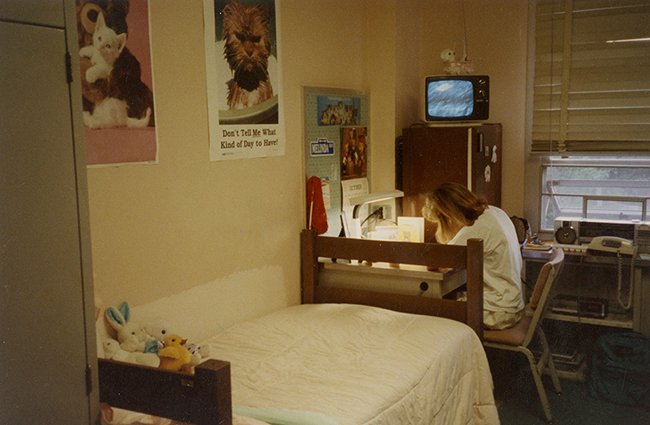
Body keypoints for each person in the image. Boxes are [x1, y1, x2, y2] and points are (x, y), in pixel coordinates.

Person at [422, 182, 524, 330]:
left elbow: (437, 262)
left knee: (431, 308)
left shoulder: (475, 229)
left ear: (447, 216)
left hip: (497, 312)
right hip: (512, 305)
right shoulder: (495, 212)